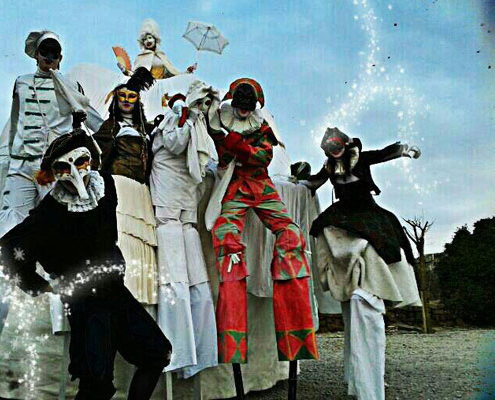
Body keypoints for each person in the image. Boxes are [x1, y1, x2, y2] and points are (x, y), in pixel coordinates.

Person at [0, 129, 171, 400]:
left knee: (156, 353)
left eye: (80, 162)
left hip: (116, 293)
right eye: (64, 167)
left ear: (90, 160)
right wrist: (41, 285)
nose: (75, 172)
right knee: (96, 383)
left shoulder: (106, 186)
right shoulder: (50, 211)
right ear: (54, 172)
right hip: (86, 303)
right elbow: (3, 251)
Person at [0, 30, 103, 357]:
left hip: (55, 167)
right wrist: (10, 155)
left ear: (61, 56)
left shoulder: (71, 84)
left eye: (54, 51)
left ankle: (64, 322)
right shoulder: (21, 82)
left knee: (63, 234)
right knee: (5, 230)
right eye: (44, 51)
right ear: (36, 54)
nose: (49, 56)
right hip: (24, 165)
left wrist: (77, 109)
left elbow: (94, 123)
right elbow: (15, 124)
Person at [303, 127, 422, 400]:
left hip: (367, 211)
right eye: (331, 151)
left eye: (338, 148)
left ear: (345, 145)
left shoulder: (361, 157)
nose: (335, 153)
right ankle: (338, 275)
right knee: (321, 227)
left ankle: (385, 276)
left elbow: (385, 153)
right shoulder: (329, 166)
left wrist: (405, 149)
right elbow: (315, 182)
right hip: (344, 213)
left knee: (383, 241)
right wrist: (298, 181)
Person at [207, 78, 318, 364]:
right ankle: (231, 344)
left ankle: (295, 334)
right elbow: (219, 153)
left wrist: (236, 145)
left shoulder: (262, 127)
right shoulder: (220, 121)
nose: (244, 110)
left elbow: (263, 157)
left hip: (261, 186)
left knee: (292, 235)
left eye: (248, 106)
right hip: (236, 188)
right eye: (240, 105)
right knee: (227, 241)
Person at [149, 82, 219, 378]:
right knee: (174, 278)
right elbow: (176, 143)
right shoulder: (174, 120)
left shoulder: (198, 124)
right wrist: (187, 116)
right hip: (167, 204)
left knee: (196, 280)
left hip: (185, 203)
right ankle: (175, 353)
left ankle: (198, 352)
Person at [95, 67, 158, 306]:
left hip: (141, 191)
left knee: (140, 241)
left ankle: (139, 300)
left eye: (132, 96)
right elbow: (97, 152)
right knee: (122, 237)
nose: (126, 101)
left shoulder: (146, 129)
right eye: (122, 96)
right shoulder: (111, 126)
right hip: (120, 187)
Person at [119, 18, 196, 79]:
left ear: (155, 39)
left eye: (150, 38)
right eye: (145, 39)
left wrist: (187, 72)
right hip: (146, 87)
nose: (147, 41)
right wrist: (125, 71)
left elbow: (174, 74)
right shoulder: (141, 57)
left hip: (162, 87)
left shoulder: (162, 56)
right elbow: (135, 75)